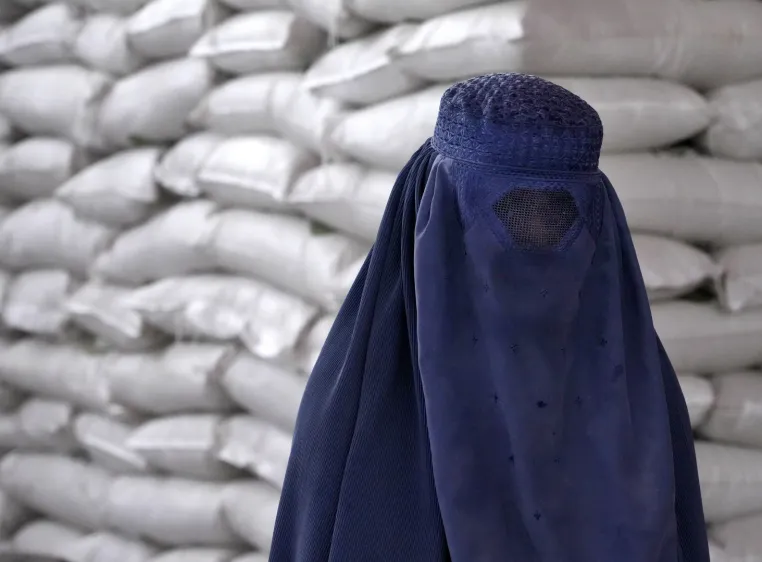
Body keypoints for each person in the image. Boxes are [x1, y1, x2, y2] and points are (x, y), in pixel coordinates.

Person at [270, 73, 709, 562]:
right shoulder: (362, 421)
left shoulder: (641, 399)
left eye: (561, 217)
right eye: (510, 213)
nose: (536, 239)